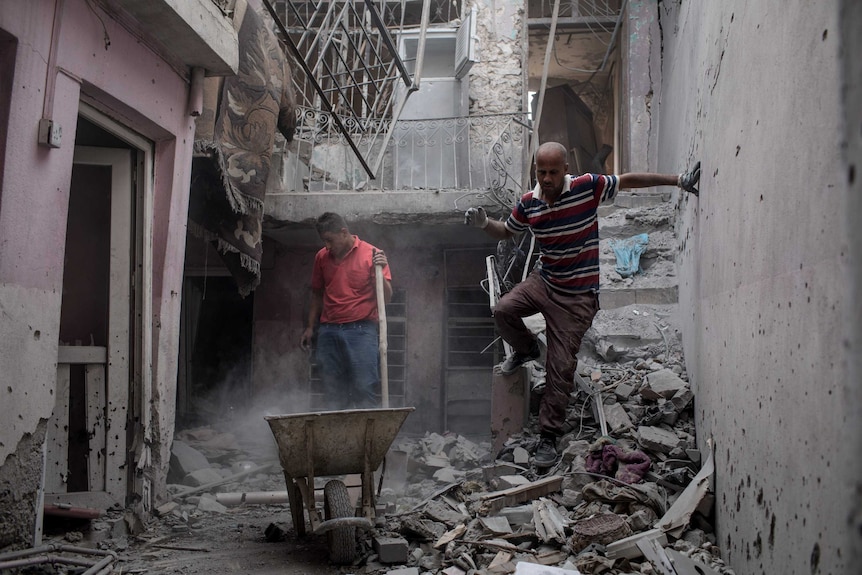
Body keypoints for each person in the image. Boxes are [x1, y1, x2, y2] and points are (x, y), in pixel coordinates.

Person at [465, 142, 701, 467]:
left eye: (552, 172)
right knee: (503, 310)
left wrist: (678, 179)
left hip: (577, 297)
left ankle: (548, 436)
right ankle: (527, 348)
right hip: (545, 280)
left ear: (565, 170)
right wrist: (482, 223)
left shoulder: (587, 187)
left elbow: (628, 179)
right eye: (540, 172)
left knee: (560, 367)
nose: (546, 179)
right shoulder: (528, 204)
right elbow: (506, 231)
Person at [301, 212, 392, 410]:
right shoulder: (322, 257)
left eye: (329, 240)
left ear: (343, 232)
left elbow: (386, 298)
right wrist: (310, 327)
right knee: (332, 388)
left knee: (364, 386)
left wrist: (381, 273)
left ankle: (366, 438)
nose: (327, 246)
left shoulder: (373, 254)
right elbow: (317, 294)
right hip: (329, 330)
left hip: (361, 330)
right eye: (324, 241)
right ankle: (338, 438)